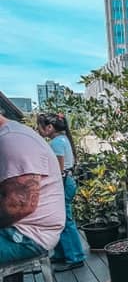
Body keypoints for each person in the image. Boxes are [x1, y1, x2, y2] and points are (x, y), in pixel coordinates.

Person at [0, 114, 65, 264]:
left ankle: (72, 257)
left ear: (50, 128)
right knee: (69, 224)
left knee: (69, 224)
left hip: (28, 234)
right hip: (27, 228)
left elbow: (20, 205)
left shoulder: (13, 140)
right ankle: (70, 256)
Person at [37, 113, 85, 271]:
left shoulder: (57, 143)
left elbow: (59, 169)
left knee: (64, 221)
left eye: (40, 127)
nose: (39, 131)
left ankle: (75, 257)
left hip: (62, 183)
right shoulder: (62, 140)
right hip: (67, 182)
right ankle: (62, 254)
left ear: (50, 127)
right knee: (62, 220)